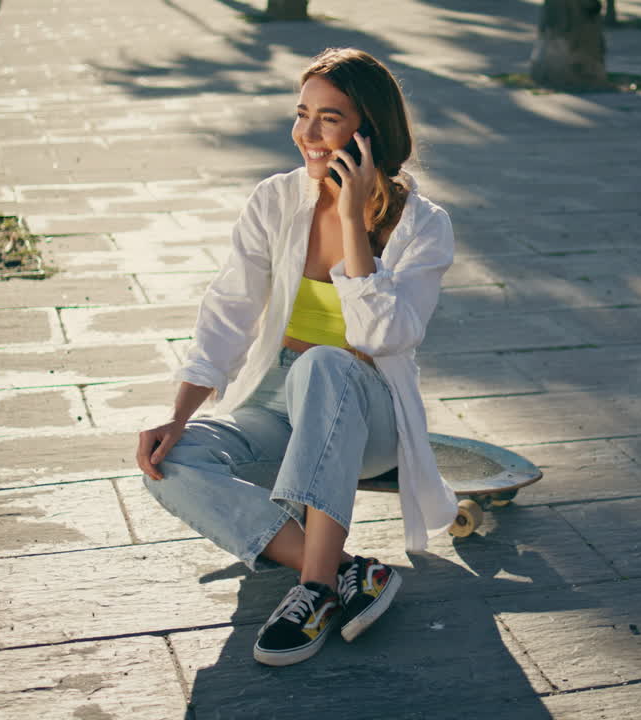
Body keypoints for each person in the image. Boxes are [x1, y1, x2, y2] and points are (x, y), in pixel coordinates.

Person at [135, 47, 458, 667]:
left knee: (325, 363)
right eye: (301, 112)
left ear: (370, 131)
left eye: (328, 118)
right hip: (274, 404)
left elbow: (384, 338)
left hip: (369, 415)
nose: (305, 134)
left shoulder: (424, 227)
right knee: (172, 461)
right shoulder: (276, 199)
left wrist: (352, 223)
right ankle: (346, 571)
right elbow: (227, 310)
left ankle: (311, 591)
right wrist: (177, 416)